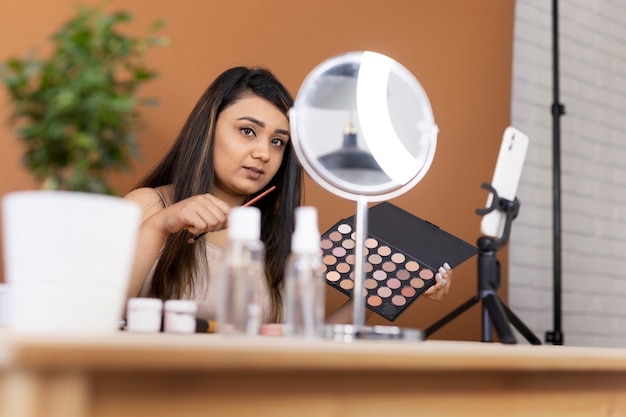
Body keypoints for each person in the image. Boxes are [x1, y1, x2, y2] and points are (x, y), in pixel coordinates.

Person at [123, 66, 453, 326]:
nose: (264, 153)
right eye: (248, 131)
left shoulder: (277, 240)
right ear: (207, 129)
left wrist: (377, 290)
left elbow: (301, 347)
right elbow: (97, 319)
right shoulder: (149, 207)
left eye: (278, 141)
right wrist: (160, 226)